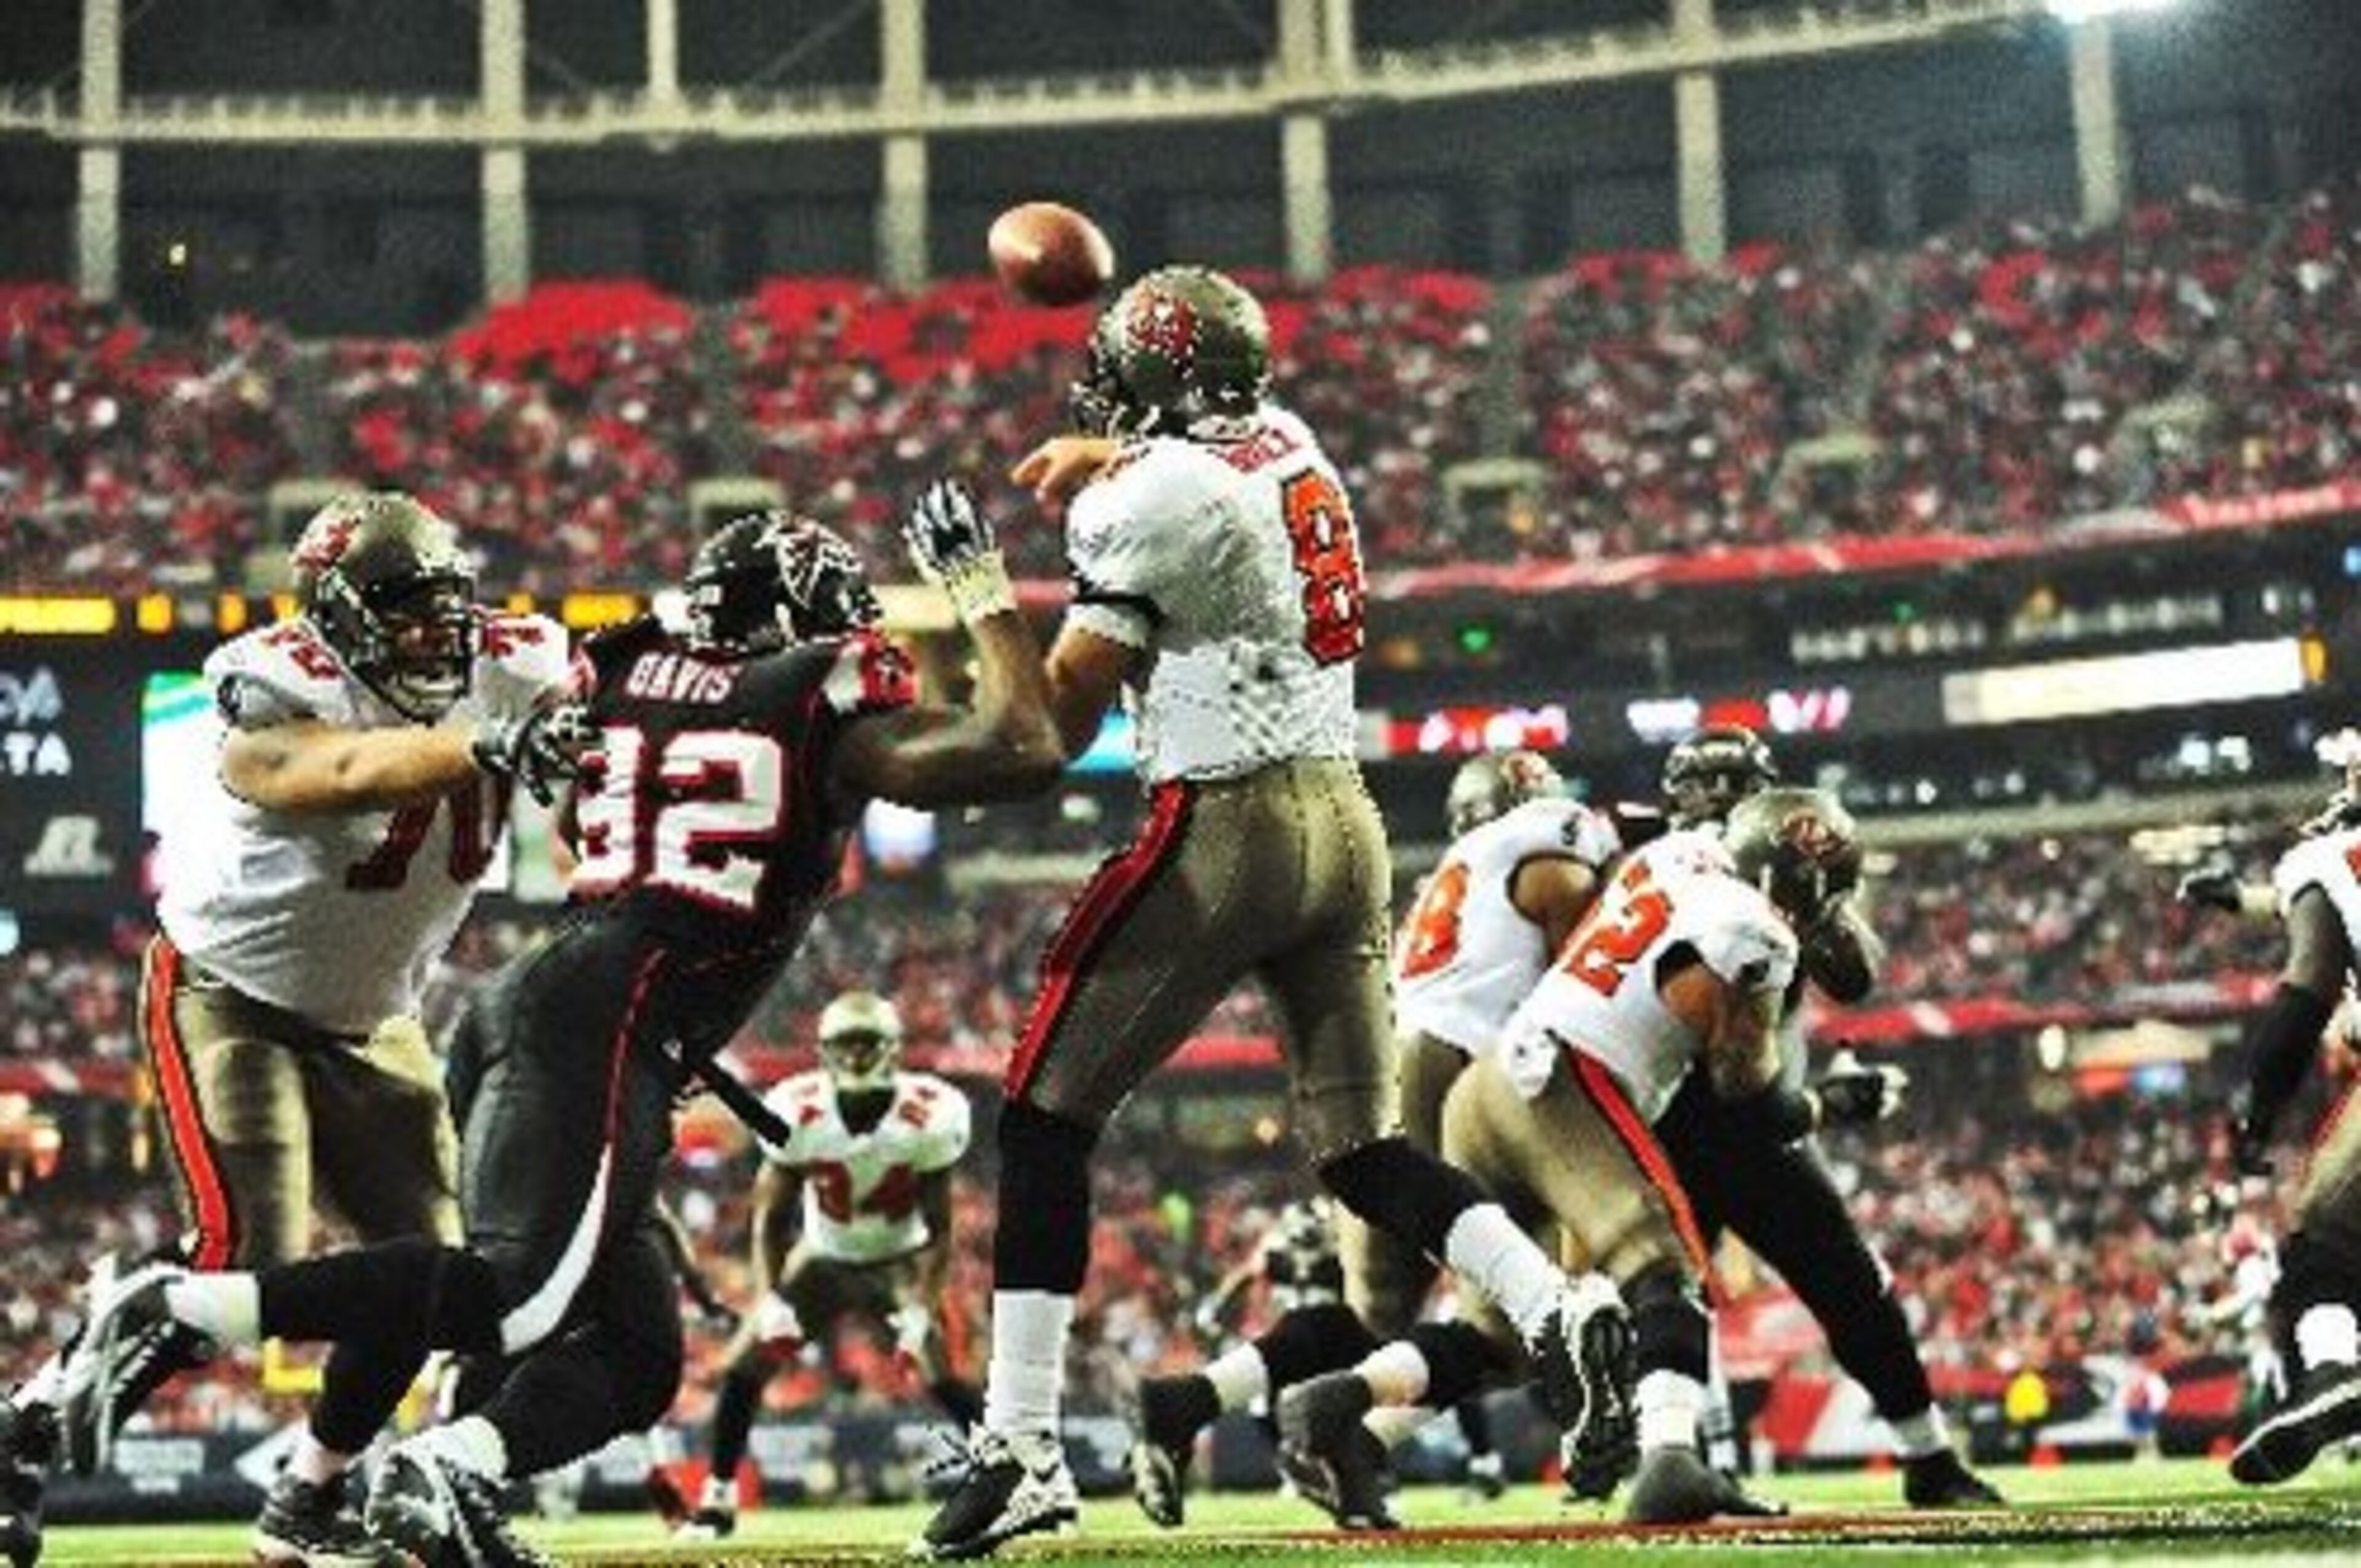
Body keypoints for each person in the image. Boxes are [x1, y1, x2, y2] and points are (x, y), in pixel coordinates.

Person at [66, 494, 1062, 1566]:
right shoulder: (818, 696)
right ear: (792, 619)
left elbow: (599, 825)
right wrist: (981, 591)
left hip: (575, 1005)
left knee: (640, 1355)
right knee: (509, 1298)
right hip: (604, 1019)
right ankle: (185, 1304)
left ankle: (448, 1469)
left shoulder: (628, 671)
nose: (849, 628)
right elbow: (1027, 743)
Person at [919, 266, 1631, 1561]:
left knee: (1041, 1119)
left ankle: (1019, 1448)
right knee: (1362, 1152)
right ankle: (1553, 1310)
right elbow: (1203, 485)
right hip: (1346, 828)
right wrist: (1117, 454)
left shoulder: (1143, 499)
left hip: (1225, 824)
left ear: (1152, 384)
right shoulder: (1291, 441)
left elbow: (1046, 730)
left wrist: (977, 592)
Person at [1, 492, 580, 1568]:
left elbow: (596, 774)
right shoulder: (270, 678)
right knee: (246, 1252)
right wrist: (493, 742)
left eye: (444, 604)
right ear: (340, 615)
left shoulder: (523, 658)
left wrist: (585, 755)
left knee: (430, 1276)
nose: (435, 630)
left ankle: (307, 1500)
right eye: (402, 608)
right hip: (230, 991)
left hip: (377, 1017)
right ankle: (30, 1421)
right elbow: (337, 772)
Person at [1278, 789, 1859, 1526]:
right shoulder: (1757, 936)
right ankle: (1672, 1462)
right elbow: (1746, 1091)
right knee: (1662, 1263)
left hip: (1485, 1087)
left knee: (1501, 1337)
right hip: (1563, 1082)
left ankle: (1344, 1412)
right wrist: (1830, 1102)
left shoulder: (1670, 859)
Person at [1124, 750, 1619, 1527]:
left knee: (1370, 1320)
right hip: (1460, 1074)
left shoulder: (1444, 887)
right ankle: (1345, 1420)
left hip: (1372, 1083)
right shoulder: (1545, 839)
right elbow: (1573, 985)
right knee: (1522, 1325)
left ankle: (1190, 1403)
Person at [1648, 725, 2000, 1509]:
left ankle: (1921, 1458)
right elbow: (1850, 980)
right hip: (1697, 1112)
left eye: (1731, 793)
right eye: (1714, 793)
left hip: (1700, 1117)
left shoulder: (1687, 860)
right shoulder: (1660, 864)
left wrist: (1808, 890)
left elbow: (1853, 975)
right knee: (1689, 1294)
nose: (1720, 806)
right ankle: (1680, 1462)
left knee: (1809, 1287)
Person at [675, 989, 980, 1541]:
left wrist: (921, 1307)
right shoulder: (797, 1110)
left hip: (898, 1257)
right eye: (846, 1044)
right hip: (823, 1255)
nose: (857, 1056)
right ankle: (717, 1500)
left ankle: (1016, 1481)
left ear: (892, 1048)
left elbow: (940, 1229)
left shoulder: (929, 1115)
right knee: (745, 1367)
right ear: (824, 1051)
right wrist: (770, 1299)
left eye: (868, 1043)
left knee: (940, 1371)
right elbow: (770, 1220)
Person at [2209, 754, 2361, 1485]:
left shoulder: (2329, 857)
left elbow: (2306, 991)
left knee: (2325, 1244)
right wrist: (2240, 899)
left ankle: (2333, 1369)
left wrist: (2258, 1114)